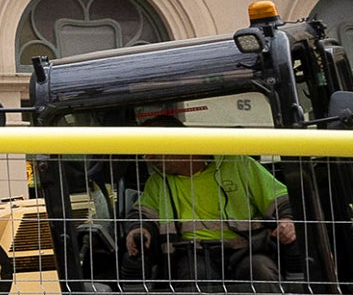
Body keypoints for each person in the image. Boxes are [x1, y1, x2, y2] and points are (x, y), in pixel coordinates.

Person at [124, 120, 297, 283]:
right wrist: (139, 229)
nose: (148, 157)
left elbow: (281, 199)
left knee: (261, 271)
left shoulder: (238, 164)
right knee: (194, 275)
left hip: (247, 250)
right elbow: (143, 214)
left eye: (151, 149)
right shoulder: (157, 182)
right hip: (194, 254)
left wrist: (287, 220)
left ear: (177, 143)